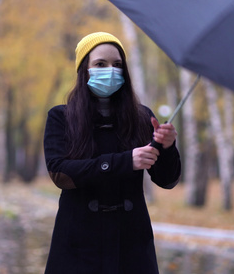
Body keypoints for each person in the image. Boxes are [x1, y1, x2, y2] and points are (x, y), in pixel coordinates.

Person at [43, 32, 181, 274]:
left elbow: (167, 180)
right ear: (84, 69)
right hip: (77, 244)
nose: (111, 70)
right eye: (100, 64)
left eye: (117, 65)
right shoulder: (61, 117)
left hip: (131, 246)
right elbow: (60, 173)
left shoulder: (140, 117)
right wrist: (124, 161)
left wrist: (167, 148)